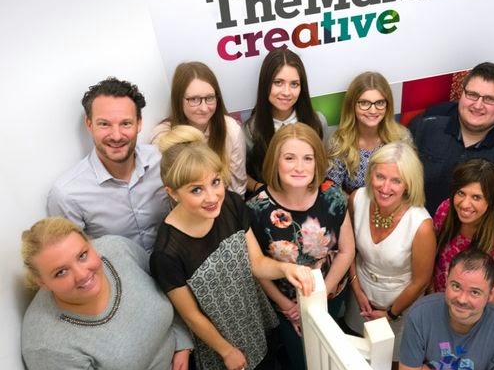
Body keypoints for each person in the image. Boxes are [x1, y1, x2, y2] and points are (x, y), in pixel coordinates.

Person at [150, 125, 314, 370]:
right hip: (218, 340)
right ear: (172, 192)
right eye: (196, 189)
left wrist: (286, 268)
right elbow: (191, 316)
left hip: (253, 320)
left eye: (215, 182)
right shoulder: (166, 253)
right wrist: (226, 350)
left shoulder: (231, 205)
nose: (212, 197)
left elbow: (256, 263)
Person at [21, 217, 193, 370]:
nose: (82, 275)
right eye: (61, 272)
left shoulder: (118, 249)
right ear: (43, 283)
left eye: (82, 256)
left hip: (189, 353)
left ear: (91, 244)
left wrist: (182, 342)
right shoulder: (47, 347)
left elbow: (167, 286)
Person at [246, 123, 354, 370]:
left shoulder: (332, 195)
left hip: (330, 292)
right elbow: (257, 266)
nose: (299, 167)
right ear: (275, 161)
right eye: (289, 158)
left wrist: (322, 295)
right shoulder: (256, 209)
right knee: (302, 362)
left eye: (308, 158)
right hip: (287, 304)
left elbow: (347, 250)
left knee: (331, 357)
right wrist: (288, 308)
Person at [47, 77, 169, 253]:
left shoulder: (163, 160)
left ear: (139, 123)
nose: (116, 136)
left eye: (125, 123)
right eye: (104, 124)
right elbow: (71, 256)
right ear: (89, 124)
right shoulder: (66, 195)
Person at [344, 141, 436, 362]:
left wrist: (392, 313)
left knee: (390, 363)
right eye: (380, 177)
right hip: (360, 298)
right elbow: (349, 250)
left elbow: (421, 281)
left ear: (409, 184)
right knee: (355, 359)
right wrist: (356, 290)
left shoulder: (421, 225)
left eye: (396, 180)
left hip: (400, 308)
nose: (385, 188)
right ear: (370, 175)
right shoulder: (357, 199)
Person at [409, 62, 494, 215]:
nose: (478, 105)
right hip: (416, 220)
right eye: (472, 95)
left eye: (489, 99)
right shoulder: (428, 122)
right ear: (462, 92)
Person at [399, 248, 494, 370]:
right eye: (456, 286)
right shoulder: (420, 314)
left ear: (491, 294)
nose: (462, 299)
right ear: (446, 280)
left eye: (475, 292)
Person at [150, 61, 247, 195]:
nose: (204, 108)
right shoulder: (163, 136)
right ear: (178, 99)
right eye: (194, 99)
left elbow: (238, 188)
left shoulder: (230, 129)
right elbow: (166, 192)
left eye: (210, 98)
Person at [243, 47, 328, 194]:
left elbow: (323, 165)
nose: (286, 92)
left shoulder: (317, 122)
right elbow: (239, 175)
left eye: (294, 84)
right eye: (278, 82)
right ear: (265, 84)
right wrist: (261, 189)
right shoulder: (250, 131)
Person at [432, 159, 494, 304]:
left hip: (466, 310)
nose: (465, 204)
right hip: (433, 297)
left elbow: (491, 301)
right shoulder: (446, 210)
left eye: (476, 197)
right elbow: (430, 258)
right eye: (461, 193)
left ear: (491, 201)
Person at [327, 71, 412, 194]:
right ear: (352, 106)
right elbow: (331, 190)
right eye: (364, 103)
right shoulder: (339, 142)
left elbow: (410, 184)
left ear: (387, 105)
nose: (373, 110)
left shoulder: (401, 137)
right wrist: (355, 201)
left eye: (379, 103)